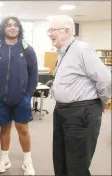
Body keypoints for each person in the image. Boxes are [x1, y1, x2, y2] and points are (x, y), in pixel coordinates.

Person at [48, 15, 111, 176]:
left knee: (76, 165)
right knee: (60, 159)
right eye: (49, 30)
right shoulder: (63, 51)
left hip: (81, 112)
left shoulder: (81, 49)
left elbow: (104, 79)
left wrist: (101, 103)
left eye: (53, 30)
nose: (50, 34)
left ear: (67, 31)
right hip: (62, 111)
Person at [0, 16, 38, 175]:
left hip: (21, 99)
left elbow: (33, 75)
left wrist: (28, 95)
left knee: (23, 129)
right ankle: (4, 159)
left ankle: (27, 162)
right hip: (0, 100)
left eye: (15, 25)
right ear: (4, 28)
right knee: (4, 129)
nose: (12, 28)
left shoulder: (27, 49)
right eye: (9, 25)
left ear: (19, 28)